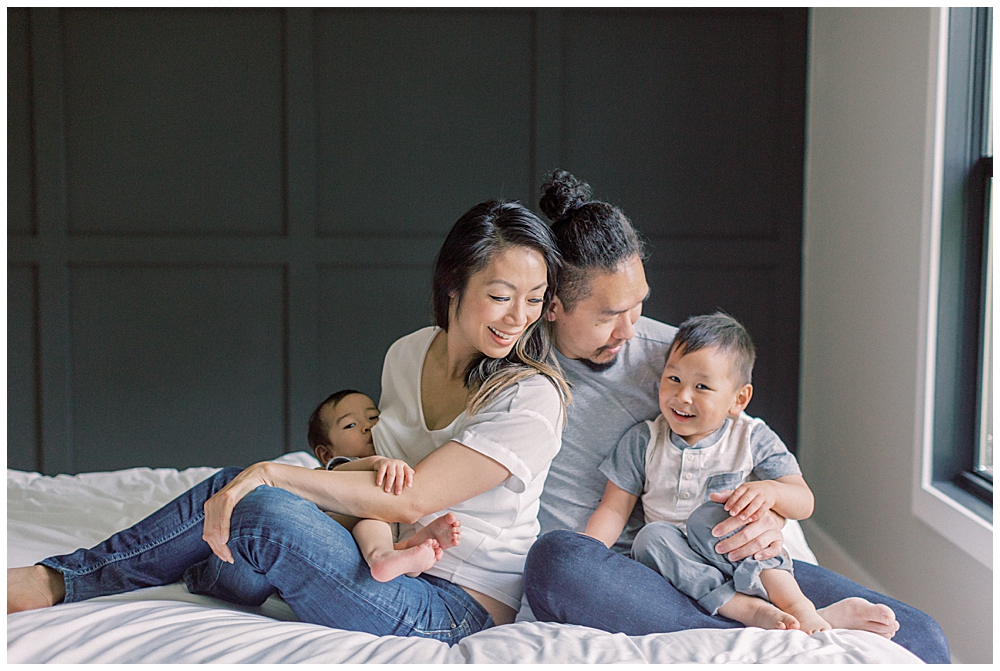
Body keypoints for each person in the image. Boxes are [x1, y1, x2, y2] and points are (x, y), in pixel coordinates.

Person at [7, 199, 570, 644]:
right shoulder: (408, 352)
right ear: (453, 284)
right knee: (235, 491)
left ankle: (65, 582)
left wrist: (274, 474)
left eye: (534, 299)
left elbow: (411, 500)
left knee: (259, 505)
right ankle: (64, 577)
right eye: (501, 296)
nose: (518, 318)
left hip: (452, 606)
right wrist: (269, 478)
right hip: (377, 556)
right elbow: (375, 479)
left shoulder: (530, 399)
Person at [521, 170, 950, 664]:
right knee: (556, 560)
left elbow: (751, 457)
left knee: (922, 637)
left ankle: (758, 617)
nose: (629, 328)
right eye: (608, 315)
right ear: (551, 306)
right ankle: (744, 627)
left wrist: (770, 514)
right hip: (630, 573)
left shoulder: (679, 361)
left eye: (638, 305)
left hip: (727, 554)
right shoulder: (516, 374)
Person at [585, 312, 837, 634]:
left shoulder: (750, 437)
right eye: (673, 379)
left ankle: (798, 606)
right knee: (649, 538)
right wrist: (587, 554)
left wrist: (771, 493)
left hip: (740, 555)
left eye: (702, 386)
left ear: (738, 399)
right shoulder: (643, 441)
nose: (683, 396)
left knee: (713, 517)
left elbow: (804, 501)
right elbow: (613, 508)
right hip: (681, 567)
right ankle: (746, 609)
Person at [305, 389, 463, 582]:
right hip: (335, 526)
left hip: (370, 542)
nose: (367, 426)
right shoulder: (337, 466)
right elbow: (344, 473)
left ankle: (410, 551)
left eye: (373, 417)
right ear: (326, 454)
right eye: (350, 425)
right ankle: (382, 556)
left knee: (387, 522)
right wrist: (376, 462)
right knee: (373, 512)